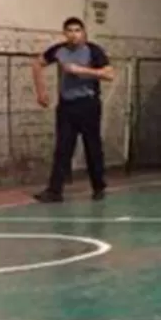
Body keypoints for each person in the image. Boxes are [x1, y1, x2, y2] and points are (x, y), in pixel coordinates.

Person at [32, 17, 112, 203]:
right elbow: (37, 64)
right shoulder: (59, 50)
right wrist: (41, 91)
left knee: (92, 145)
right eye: (70, 30)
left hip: (88, 104)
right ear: (65, 33)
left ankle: (98, 186)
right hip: (67, 105)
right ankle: (54, 190)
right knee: (63, 147)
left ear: (83, 33)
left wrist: (82, 71)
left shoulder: (93, 51)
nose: (74, 34)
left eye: (77, 30)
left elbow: (109, 73)